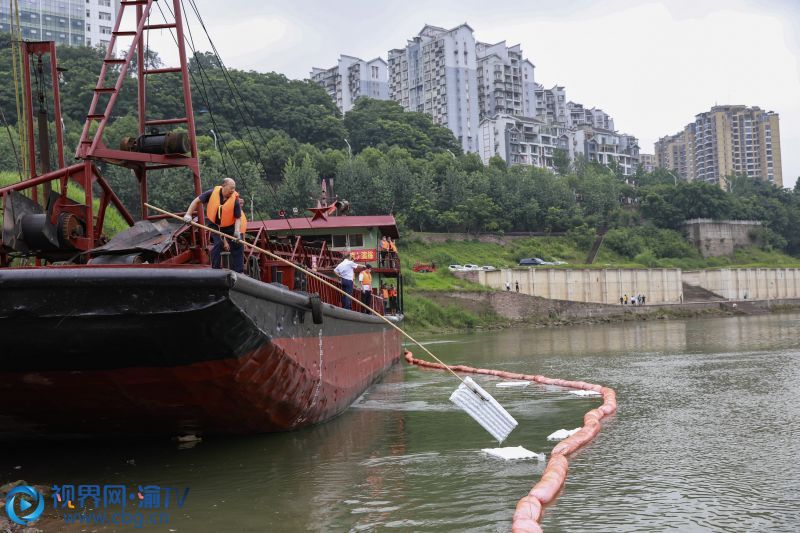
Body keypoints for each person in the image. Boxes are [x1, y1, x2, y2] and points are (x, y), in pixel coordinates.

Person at [184, 178, 243, 273]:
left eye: (234, 188)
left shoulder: (234, 199)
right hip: (215, 224)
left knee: (238, 244)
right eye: (231, 188)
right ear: (223, 186)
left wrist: (236, 231)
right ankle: (215, 268)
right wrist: (188, 214)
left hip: (229, 225)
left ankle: (239, 272)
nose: (233, 190)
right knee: (218, 243)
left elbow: (238, 218)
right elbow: (196, 201)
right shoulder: (211, 193)